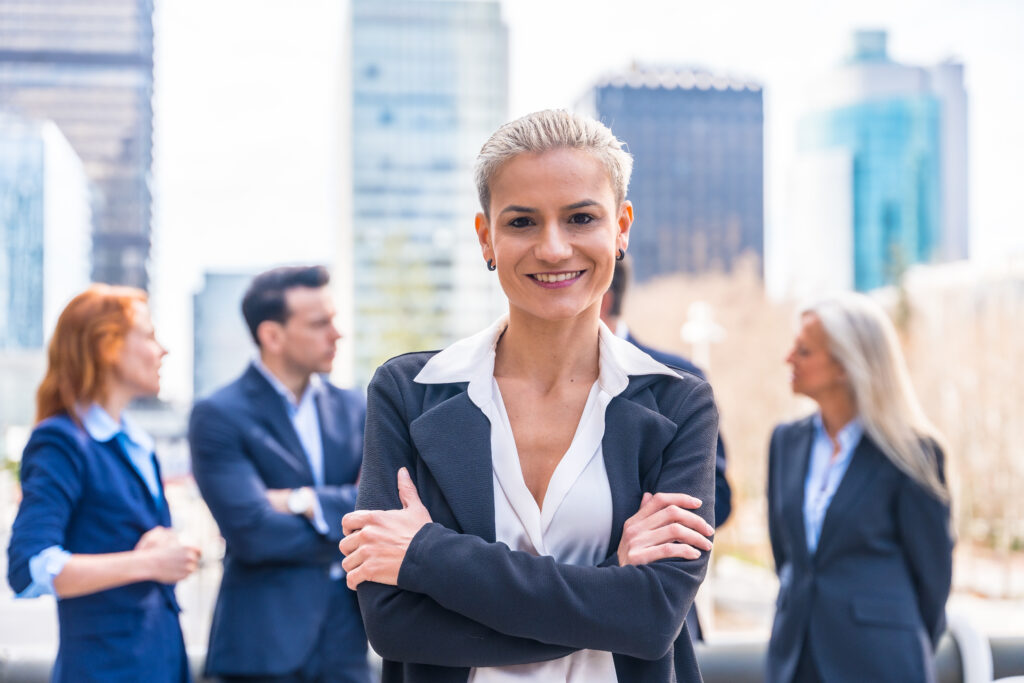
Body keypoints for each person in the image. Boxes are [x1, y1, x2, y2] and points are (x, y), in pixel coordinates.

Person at [340, 109, 718, 683]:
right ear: (486, 236)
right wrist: (608, 586)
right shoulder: (409, 394)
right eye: (521, 223)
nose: (553, 247)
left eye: (581, 217)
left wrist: (426, 556)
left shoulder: (677, 403)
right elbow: (394, 624)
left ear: (620, 228)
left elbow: (652, 618)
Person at [6, 285, 199, 682]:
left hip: (161, 662)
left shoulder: (137, 443)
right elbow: (29, 567)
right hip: (104, 670)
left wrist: (165, 543)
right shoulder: (60, 441)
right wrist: (148, 562)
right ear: (107, 347)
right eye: (148, 336)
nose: (162, 350)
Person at [188, 266, 369, 683]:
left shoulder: (357, 408)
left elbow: (382, 506)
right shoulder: (219, 414)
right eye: (320, 324)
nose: (337, 334)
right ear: (272, 336)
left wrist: (301, 502)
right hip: (259, 651)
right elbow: (253, 533)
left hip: (346, 647)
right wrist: (353, 527)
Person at [766, 292, 954, 683]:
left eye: (804, 351)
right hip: (795, 660)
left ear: (845, 367)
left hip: (882, 663)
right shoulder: (786, 442)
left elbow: (932, 579)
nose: (788, 358)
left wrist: (901, 642)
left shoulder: (912, 452)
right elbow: (787, 557)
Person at [600, 256, 732, 641]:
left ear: (604, 294)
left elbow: (718, 498)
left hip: (654, 621)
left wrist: (646, 524)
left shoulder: (679, 381)